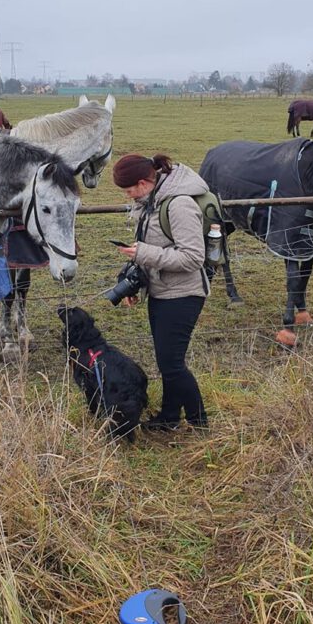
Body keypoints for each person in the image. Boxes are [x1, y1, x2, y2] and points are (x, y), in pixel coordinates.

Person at [112, 152, 210, 432]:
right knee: (167, 361)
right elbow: (154, 249)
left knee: (172, 365)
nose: (128, 196)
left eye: (129, 190)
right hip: (161, 291)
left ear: (144, 182)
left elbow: (193, 258)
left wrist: (143, 252)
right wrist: (131, 279)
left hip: (183, 295)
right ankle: (169, 417)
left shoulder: (179, 205)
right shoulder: (152, 202)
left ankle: (200, 424)